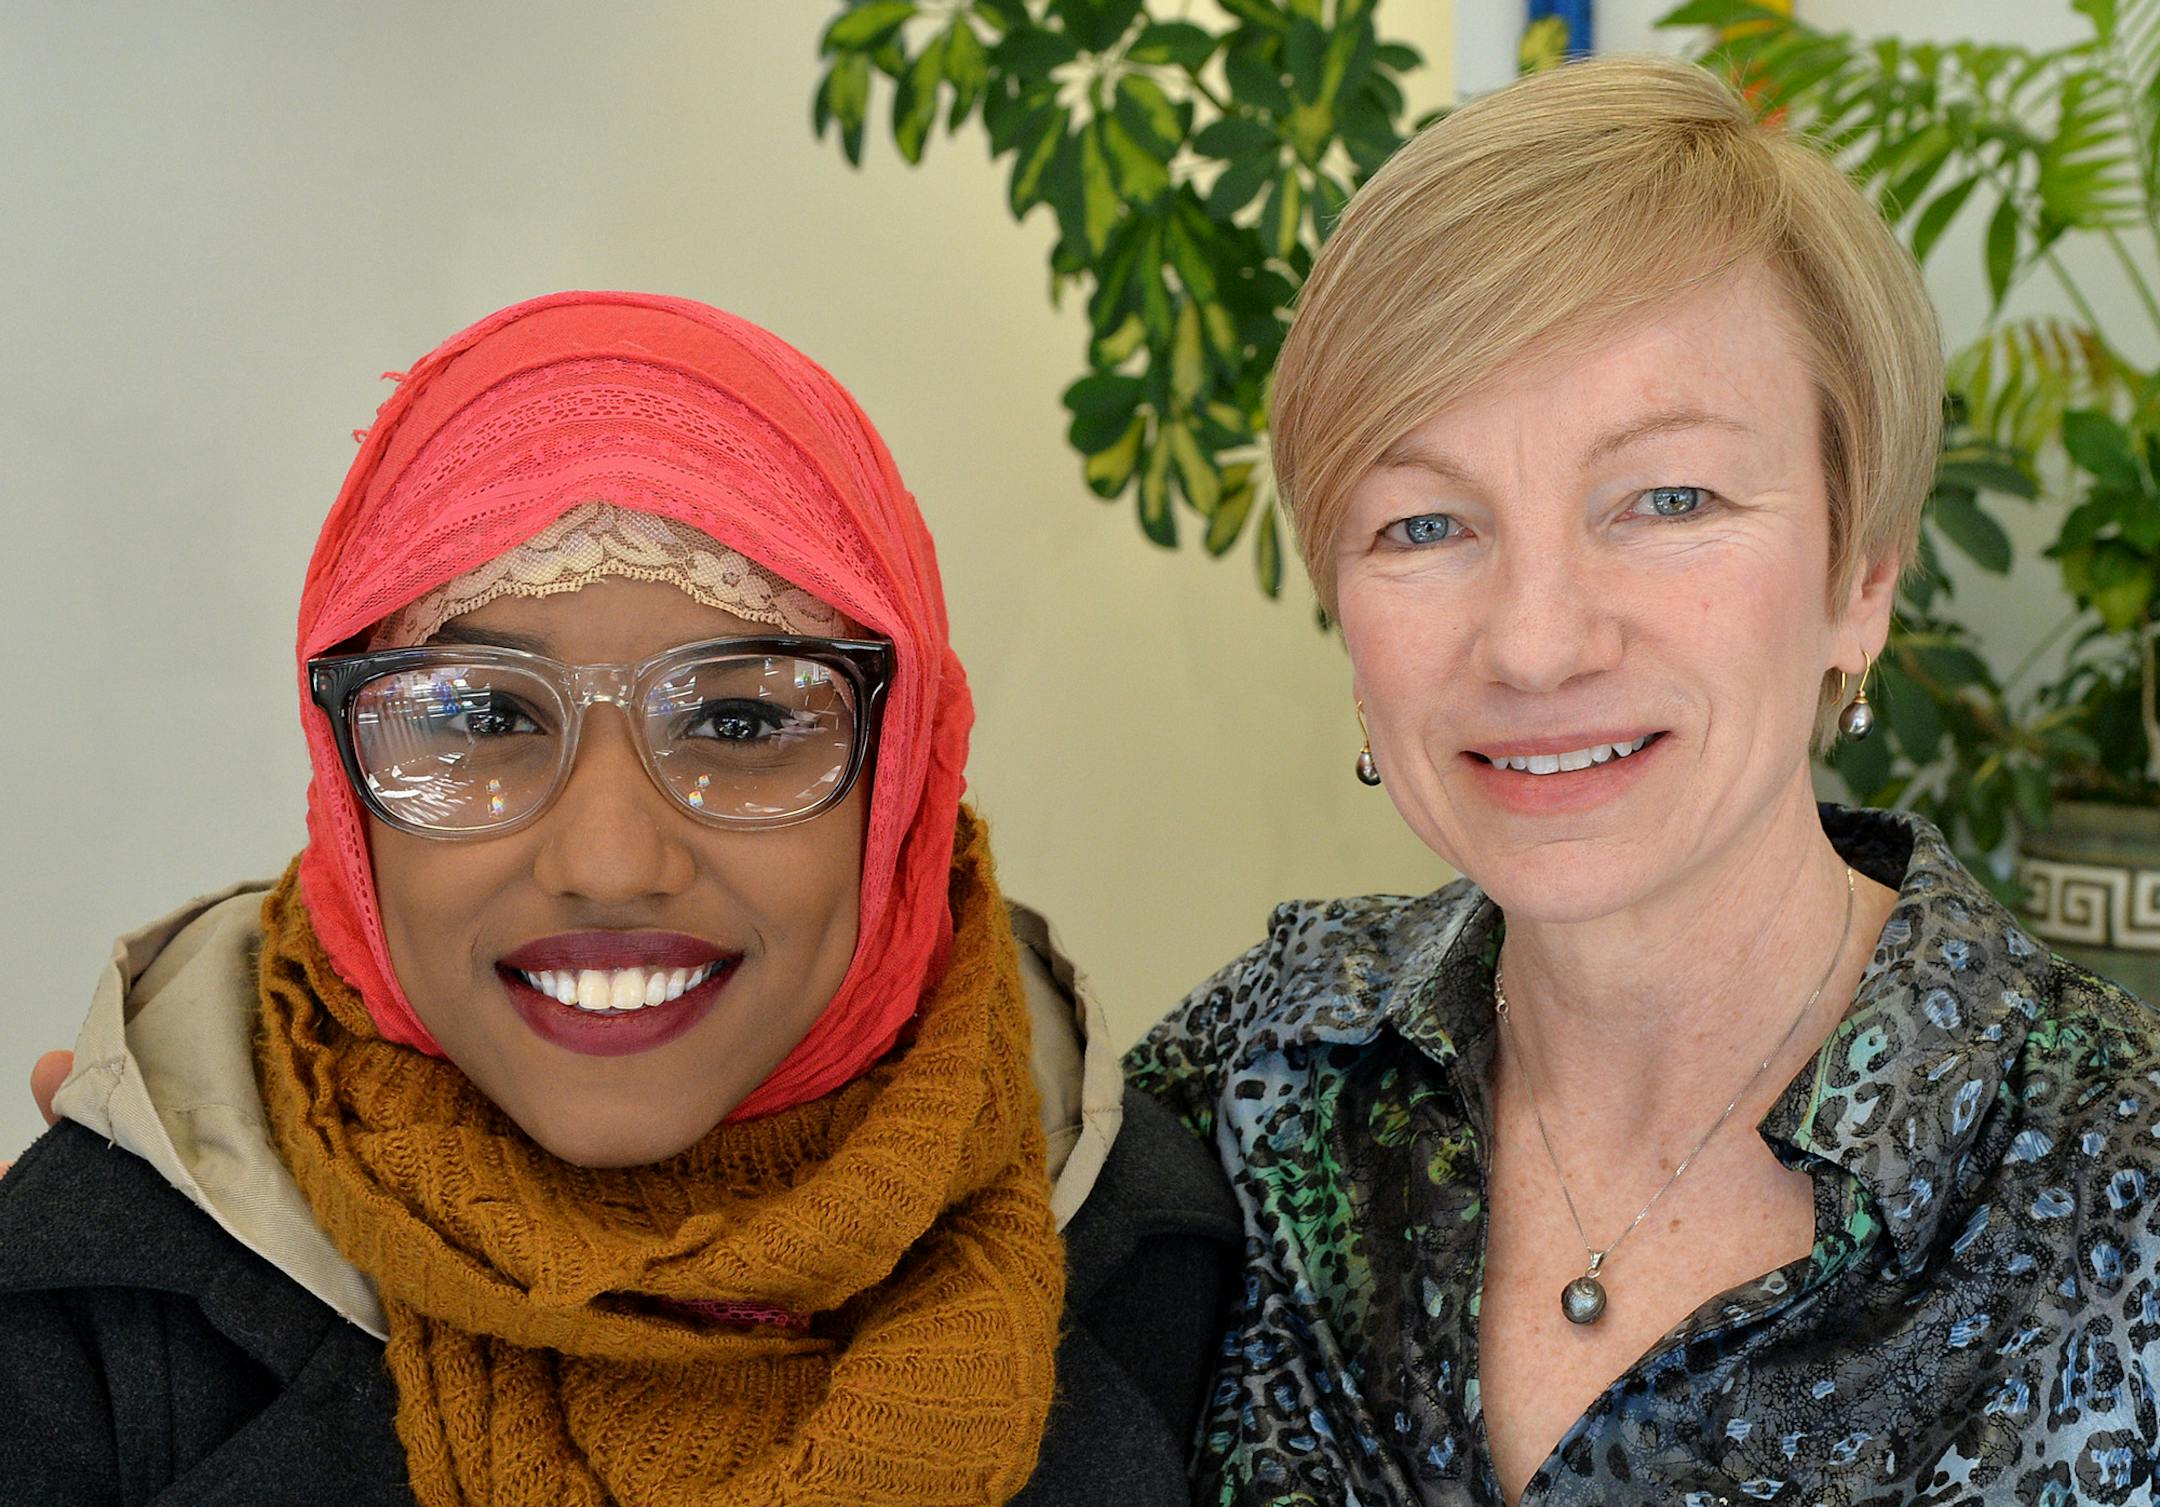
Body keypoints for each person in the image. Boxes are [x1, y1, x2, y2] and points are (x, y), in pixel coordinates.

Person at [0, 291, 1238, 1504]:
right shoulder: (84, 1315)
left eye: (741, 718)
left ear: (901, 781)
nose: (608, 858)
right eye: (481, 714)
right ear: (344, 786)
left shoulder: (1188, 1282)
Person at [1127, 56, 2160, 1507]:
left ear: (1861, 574)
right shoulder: (1258, 1069)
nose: (1537, 641)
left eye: (1667, 499)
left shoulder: (2118, 1180)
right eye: (1424, 522)